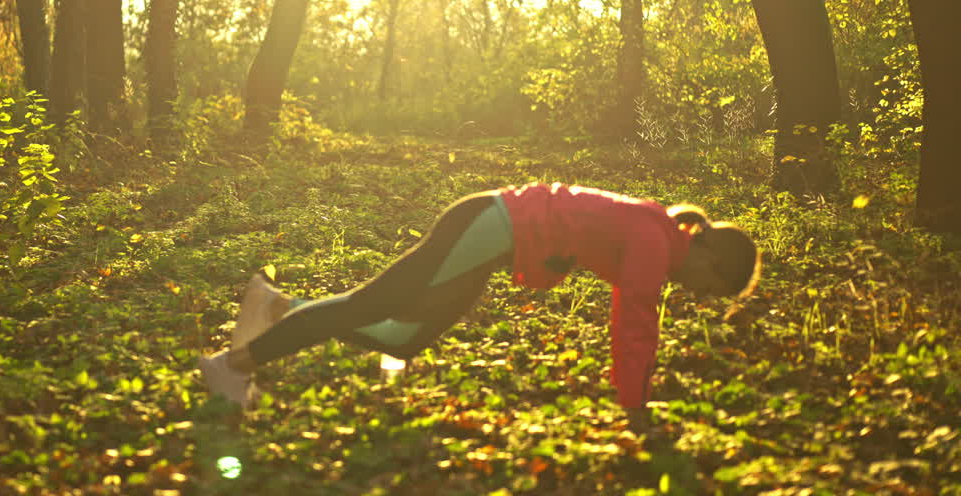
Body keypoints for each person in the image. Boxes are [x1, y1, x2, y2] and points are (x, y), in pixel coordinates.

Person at [199, 182, 760, 432]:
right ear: (707, 249)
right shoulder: (656, 240)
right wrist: (633, 408)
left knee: (404, 337)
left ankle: (278, 307)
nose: (698, 293)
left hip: (493, 238)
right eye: (709, 284)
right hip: (488, 224)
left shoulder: (654, 232)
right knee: (372, 305)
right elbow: (635, 321)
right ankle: (232, 366)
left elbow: (574, 239)